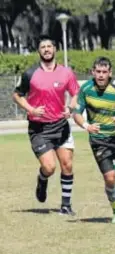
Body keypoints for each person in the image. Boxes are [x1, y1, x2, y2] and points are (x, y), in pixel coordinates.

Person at [12, 35, 80, 216]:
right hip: (39, 129)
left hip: (61, 125)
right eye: (43, 47)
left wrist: (70, 108)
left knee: (67, 165)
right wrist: (31, 109)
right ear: (39, 51)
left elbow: (75, 94)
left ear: (55, 49)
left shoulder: (66, 73)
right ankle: (42, 179)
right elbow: (17, 95)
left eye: (50, 46)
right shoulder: (29, 74)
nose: (47, 49)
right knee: (49, 167)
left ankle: (66, 206)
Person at [73, 57, 115, 224]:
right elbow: (76, 113)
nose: (101, 75)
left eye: (104, 72)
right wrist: (86, 126)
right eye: (98, 72)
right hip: (98, 141)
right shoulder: (86, 89)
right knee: (109, 179)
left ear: (110, 73)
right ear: (93, 72)